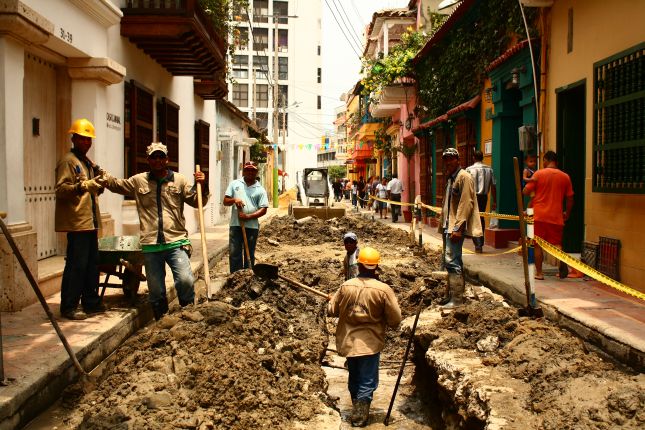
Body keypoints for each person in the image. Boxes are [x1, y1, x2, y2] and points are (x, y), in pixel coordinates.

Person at [100, 142, 208, 320]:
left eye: (161, 157)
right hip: (151, 245)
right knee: (156, 290)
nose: (157, 160)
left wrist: (202, 185)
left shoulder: (179, 181)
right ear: (148, 160)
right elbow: (117, 185)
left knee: (185, 280)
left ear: (167, 160)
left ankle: (188, 314)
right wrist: (101, 176)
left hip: (176, 241)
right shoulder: (138, 181)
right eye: (153, 157)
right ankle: (162, 321)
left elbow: (198, 202)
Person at [328, 247, 401, 427]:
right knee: (367, 379)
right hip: (370, 343)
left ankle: (356, 410)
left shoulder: (346, 286)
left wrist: (334, 300)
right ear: (376, 267)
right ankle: (360, 416)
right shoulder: (383, 290)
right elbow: (395, 319)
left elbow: (332, 310)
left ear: (359, 265)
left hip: (349, 341)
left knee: (354, 376)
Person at [55, 118, 105, 320]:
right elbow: (60, 190)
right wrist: (83, 186)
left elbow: (91, 192)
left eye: (88, 140)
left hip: (90, 222)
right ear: (74, 138)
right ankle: (69, 306)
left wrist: (98, 185)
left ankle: (91, 303)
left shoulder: (86, 163)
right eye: (82, 139)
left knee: (91, 265)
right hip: (78, 223)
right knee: (76, 265)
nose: (86, 143)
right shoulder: (68, 161)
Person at [437, 147, 482, 308]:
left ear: (458, 160)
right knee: (451, 261)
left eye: (451, 159)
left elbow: (466, 204)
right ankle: (451, 295)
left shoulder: (464, 177)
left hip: (455, 228)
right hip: (448, 226)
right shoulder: (451, 178)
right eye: (446, 159)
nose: (448, 162)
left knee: (452, 261)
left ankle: (456, 300)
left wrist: (458, 228)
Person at [522, 150, 574, 280]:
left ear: (546, 160)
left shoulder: (539, 174)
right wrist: (567, 213)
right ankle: (562, 262)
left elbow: (526, 191)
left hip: (539, 215)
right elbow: (570, 198)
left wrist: (531, 191)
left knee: (537, 244)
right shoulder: (565, 177)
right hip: (556, 216)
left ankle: (539, 273)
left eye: (543, 160)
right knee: (557, 244)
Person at [223, 161, 269, 273]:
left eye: (252, 170)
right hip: (235, 225)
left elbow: (263, 209)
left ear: (256, 172)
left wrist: (248, 216)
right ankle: (235, 277)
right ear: (243, 171)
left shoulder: (260, 189)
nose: (249, 172)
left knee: (249, 253)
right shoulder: (235, 184)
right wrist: (234, 200)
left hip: (252, 227)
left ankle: (248, 275)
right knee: (234, 253)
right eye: (247, 169)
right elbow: (225, 201)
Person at [465, 150, 497, 253]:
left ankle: (477, 244)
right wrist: (494, 200)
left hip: (472, 197)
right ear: (482, 157)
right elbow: (493, 186)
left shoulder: (469, 170)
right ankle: (480, 243)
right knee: (481, 218)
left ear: (474, 158)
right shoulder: (489, 169)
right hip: (484, 197)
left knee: (474, 219)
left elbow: (466, 186)